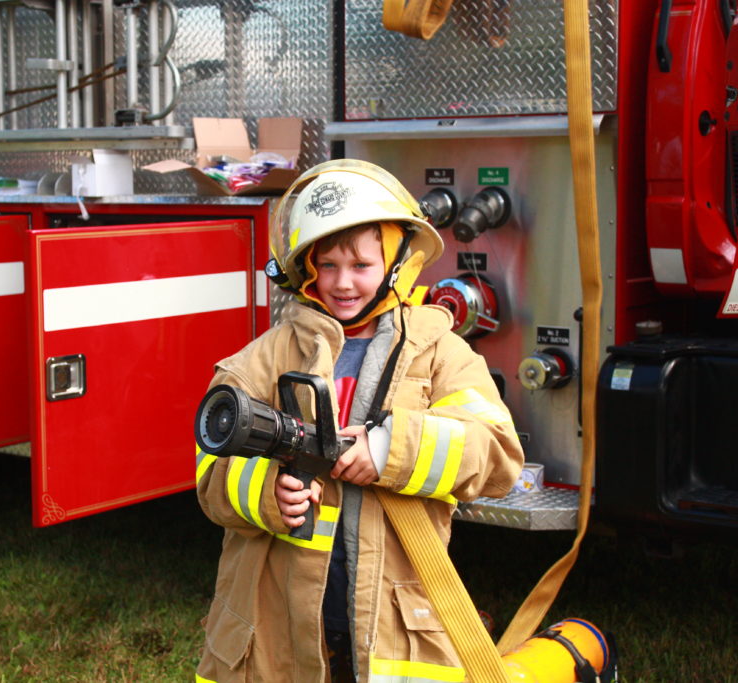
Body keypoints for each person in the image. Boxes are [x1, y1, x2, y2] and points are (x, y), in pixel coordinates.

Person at [195, 159, 524, 683]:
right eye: (327, 266)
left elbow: (498, 453)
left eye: (361, 266)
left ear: (397, 263)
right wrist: (266, 491)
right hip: (280, 625)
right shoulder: (265, 356)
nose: (342, 283)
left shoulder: (438, 352)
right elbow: (209, 470)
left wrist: (391, 448)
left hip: (391, 621)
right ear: (306, 267)